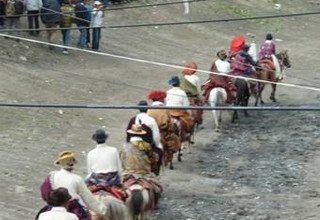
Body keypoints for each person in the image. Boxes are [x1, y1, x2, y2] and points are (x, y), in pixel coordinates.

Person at [38, 151, 107, 220]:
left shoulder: (52, 175)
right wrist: (101, 209)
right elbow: (88, 198)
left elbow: (44, 192)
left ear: (60, 164)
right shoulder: (77, 179)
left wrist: (52, 201)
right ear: (73, 164)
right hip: (73, 208)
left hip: (53, 205)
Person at [126, 100, 162, 176]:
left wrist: (128, 143)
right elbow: (156, 137)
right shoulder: (151, 120)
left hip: (132, 145)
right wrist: (156, 145)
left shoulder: (133, 119)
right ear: (147, 109)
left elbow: (127, 134)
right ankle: (155, 172)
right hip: (147, 145)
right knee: (160, 153)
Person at [147, 91, 181, 168]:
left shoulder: (149, 109)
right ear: (160, 99)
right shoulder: (164, 109)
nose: (164, 100)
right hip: (163, 131)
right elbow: (169, 122)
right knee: (174, 140)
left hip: (151, 131)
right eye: (163, 98)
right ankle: (169, 156)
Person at [166, 75, 194, 140]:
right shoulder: (182, 92)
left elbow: (167, 102)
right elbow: (186, 105)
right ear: (179, 83)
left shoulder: (168, 92)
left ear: (171, 84)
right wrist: (190, 114)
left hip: (169, 112)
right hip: (179, 113)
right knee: (190, 123)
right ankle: (187, 134)